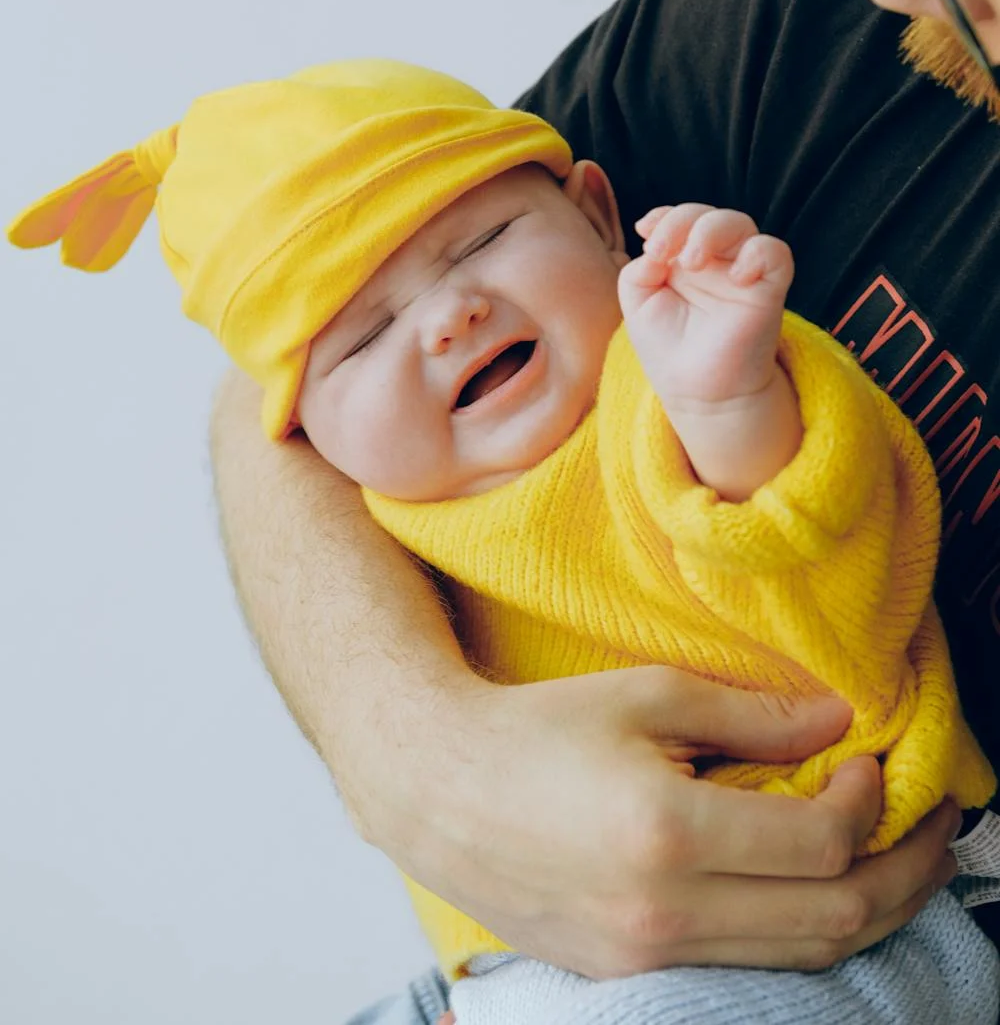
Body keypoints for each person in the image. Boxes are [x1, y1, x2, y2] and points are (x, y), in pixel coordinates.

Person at [199, 0, 1000, 1019]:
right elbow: (274, 400)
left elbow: (805, 524)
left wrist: (732, 410)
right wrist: (413, 752)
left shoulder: (669, 377)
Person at [7, 54, 999, 1023]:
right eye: (361, 334)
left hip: (847, 923)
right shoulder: (392, 519)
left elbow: (825, 568)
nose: (449, 316)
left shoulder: (663, 390)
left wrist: (731, 401)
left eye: (480, 241)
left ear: (598, 215)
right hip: (505, 974)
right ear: (303, 434)